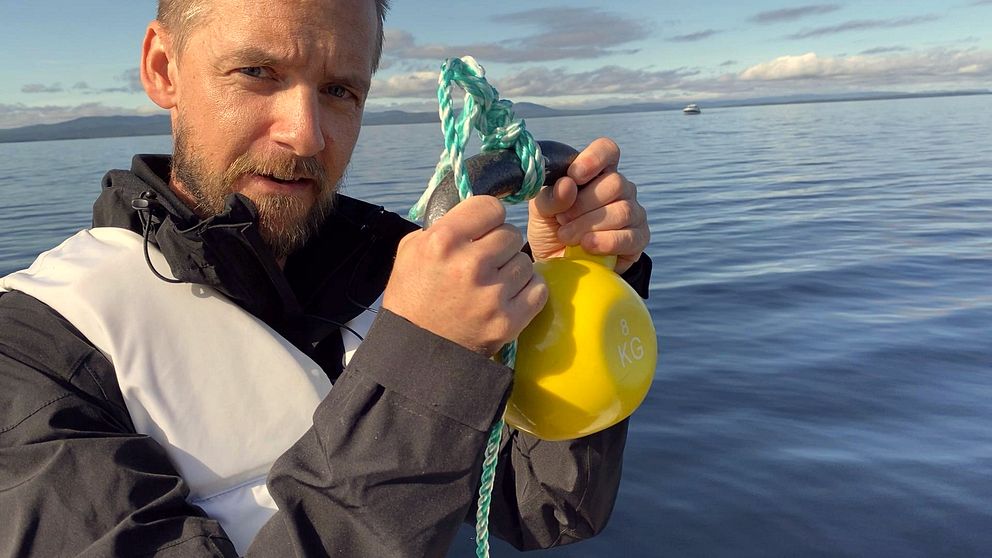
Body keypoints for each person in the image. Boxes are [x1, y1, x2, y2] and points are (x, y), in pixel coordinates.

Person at [0, 0, 652, 556]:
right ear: (163, 69)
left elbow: (545, 506)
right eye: (257, 73)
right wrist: (423, 366)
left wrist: (570, 286)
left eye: (340, 90)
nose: (307, 135)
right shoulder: (32, 346)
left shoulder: (402, 266)